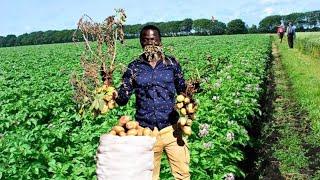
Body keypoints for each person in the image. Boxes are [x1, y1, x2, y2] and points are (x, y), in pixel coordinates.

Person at [115, 25, 191, 180]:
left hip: (172, 129)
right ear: (141, 42)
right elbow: (123, 99)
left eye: (153, 39)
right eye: (146, 40)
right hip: (146, 132)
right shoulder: (134, 67)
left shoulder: (171, 64)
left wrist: (193, 88)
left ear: (160, 41)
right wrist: (109, 87)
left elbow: (183, 89)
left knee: (183, 175)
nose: (150, 43)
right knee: (148, 176)